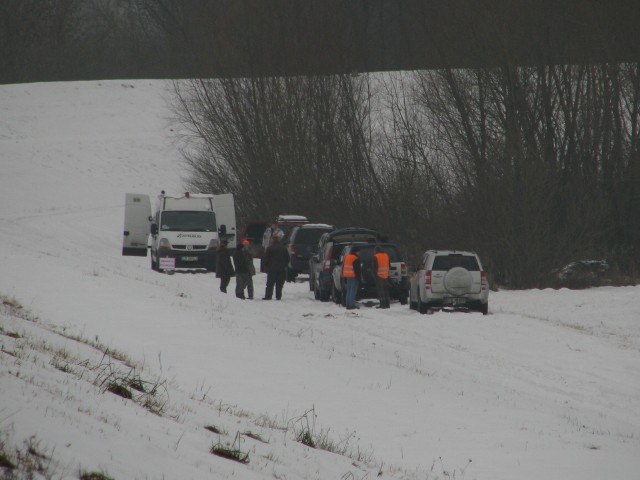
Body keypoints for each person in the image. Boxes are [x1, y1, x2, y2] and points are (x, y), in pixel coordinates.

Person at [262, 235, 290, 300]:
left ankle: (268, 296)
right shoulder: (283, 248)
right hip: (281, 269)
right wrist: (284, 265)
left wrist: (266, 266)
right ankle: (278, 296)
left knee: (270, 284)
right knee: (279, 284)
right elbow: (288, 258)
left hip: (272, 269)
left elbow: (266, 259)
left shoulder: (269, 248)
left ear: (273, 240)